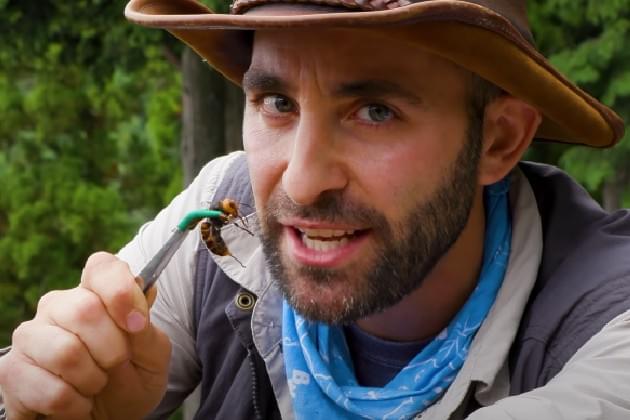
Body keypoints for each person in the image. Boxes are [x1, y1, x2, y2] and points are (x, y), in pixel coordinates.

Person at [0, 0, 629, 418]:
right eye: (276, 102)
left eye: (375, 111)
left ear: (498, 141)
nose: (299, 183)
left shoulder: (606, 317)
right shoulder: (227, 212)